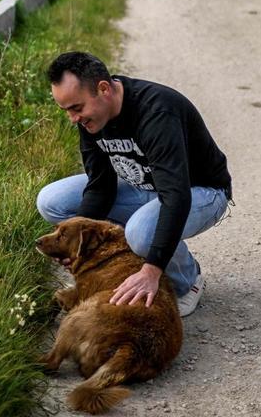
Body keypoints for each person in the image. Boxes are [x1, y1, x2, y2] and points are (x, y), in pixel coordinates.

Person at [37, 51, 232, 317]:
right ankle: (129, 264)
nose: (73, 119)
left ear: (103, 89)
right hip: (145, 187)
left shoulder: (156, 112)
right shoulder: (92, 118)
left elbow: (175, 196)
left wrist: (152, 270)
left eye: (76, 108)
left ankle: (188, 281)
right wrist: (76, 244)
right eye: (67, 111)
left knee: (142, 234)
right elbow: (100, 186)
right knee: (52, 201)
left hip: (199, 191)